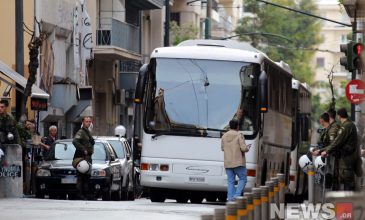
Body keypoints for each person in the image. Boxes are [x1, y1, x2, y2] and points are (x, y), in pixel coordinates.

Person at [320, 108, 360, 191]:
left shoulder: (346, 126)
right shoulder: (348, 125)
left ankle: (349, 202)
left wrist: (326, 151)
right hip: (346, 158)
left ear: (339, 116)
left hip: (347, 159)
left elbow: (337, 142)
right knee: (344, 181)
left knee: (347, 181)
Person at [221, 119, 250, 201]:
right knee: (243, 179)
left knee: (230, 181)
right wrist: (248, 147)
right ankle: (237, 196)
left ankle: (230, 198)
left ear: (230, 126)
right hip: (238, 162)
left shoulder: (224, 136)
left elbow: (222, 148)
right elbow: (243, 148)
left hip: (228, 162)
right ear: (237, 126)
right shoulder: (239, 135)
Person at [72, 116, 95, 200]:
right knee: (81, 176)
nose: (88, 123)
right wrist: (83, 149)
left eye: (89, 121)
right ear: (83, 122)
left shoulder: (88, 131)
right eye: (86, 121)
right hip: (82, 157)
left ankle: (86, 194)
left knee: (87, 177)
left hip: (88, 157)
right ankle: (80, 194)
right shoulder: (81, 132)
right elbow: (75, 141)